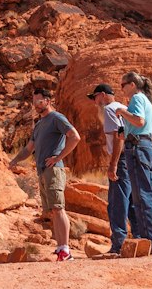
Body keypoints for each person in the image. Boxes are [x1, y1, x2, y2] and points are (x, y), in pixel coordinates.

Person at [9, 86, 81, 261]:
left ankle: (66, 250)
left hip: (54, 170)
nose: (36, 105)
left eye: (39, 101)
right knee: (52, 211)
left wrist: (58, 157)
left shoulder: (56, 118)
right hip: (42, 171)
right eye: (34, 102)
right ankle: (60, 248)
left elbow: (75, 137)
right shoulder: (40, 124)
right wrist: (14, 161)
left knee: (58, 208)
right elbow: (29, 148)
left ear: (48, 101)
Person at [113, 71, 152, 254]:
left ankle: (149, 242)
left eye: (123, 85)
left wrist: (122, 112)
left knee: (141, 197)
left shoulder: (136, 99)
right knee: (148, 195)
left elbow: (139, 121)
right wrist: (125, 131)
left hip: (137, 149)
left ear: (132, 84)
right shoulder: (148, 102)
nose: (122, 89)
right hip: (146, 147)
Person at [88, 82, 135, 255]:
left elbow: (118, 136)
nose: (95, 102)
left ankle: (119, 244)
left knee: (117, 201)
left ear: (102, 94)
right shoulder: (123, 107)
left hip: (121, 158)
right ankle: (138, 239)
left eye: (95, 97)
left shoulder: (109, 109)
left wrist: (113, 164)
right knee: (131, 200)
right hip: (131, 157)